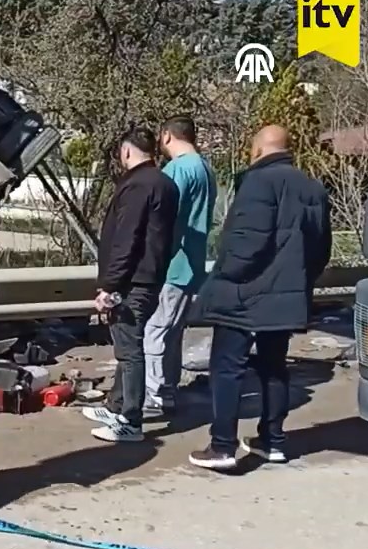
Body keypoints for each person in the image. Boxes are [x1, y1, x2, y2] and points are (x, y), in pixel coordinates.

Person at [189, 125, 331, 470]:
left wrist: (224, 277)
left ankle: (222, 445)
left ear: (257, 149)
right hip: (285, 294)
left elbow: (245, 244)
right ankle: (273, 441)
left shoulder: (258, 182)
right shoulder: (313, 187)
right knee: (274, 367)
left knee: (227, 367)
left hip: (244, 293)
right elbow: (321, 247)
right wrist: (298, 281)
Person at [84, 127, 178, 443]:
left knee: (129, 350)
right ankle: (116, 406)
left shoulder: (138, 185)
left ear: (126, 151)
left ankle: (130, 419)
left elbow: (127, 238)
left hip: (133, 280)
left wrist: (109, 285)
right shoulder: (164, 183)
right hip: (150, 276)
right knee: (128, 346)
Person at [143, 116, 217, 419]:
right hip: (193, 264)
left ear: (166, 136)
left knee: (155, 331)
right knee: (172, 333)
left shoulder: (177, 170)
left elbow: (161, 217)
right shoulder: (206, 169)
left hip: (172, 264)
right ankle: (168, 391)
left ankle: (153, 394)